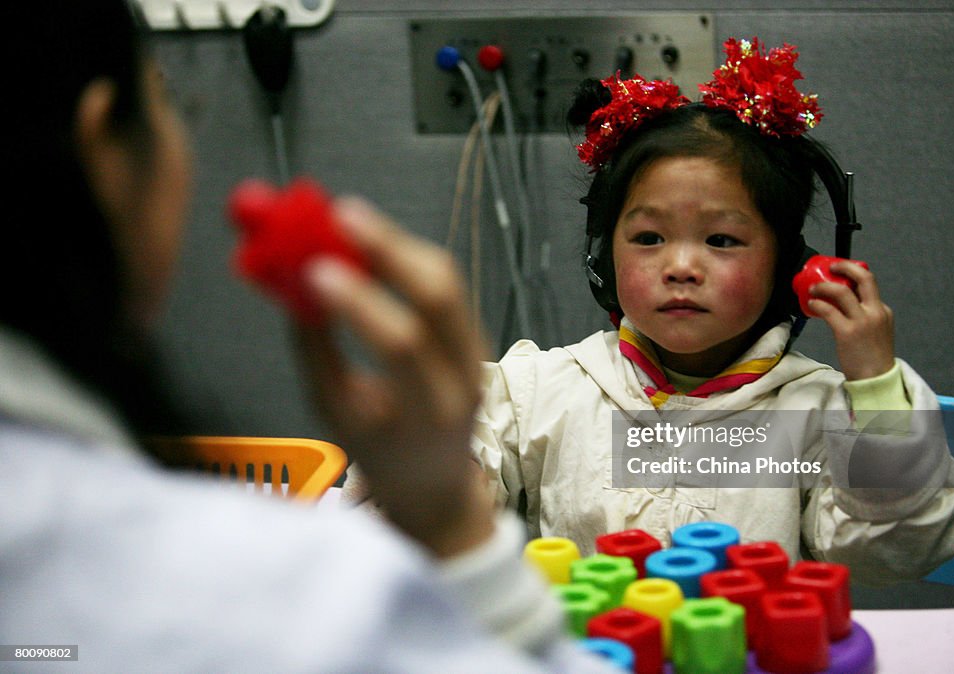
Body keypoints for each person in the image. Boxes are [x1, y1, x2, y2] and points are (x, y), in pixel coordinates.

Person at [0, 3, 617, 672]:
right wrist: (452, 527)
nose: (682, 268)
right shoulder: (287, 602)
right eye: (168, 99)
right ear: (106, 153)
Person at [472, 39, 954, 585]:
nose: (682, 266)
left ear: (788, 264)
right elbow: (435, 477)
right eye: (648, 237)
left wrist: (876, 385)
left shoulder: (814, 411)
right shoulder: (538, 392)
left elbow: (899, 546)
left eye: (721, 239)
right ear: (604, 254)